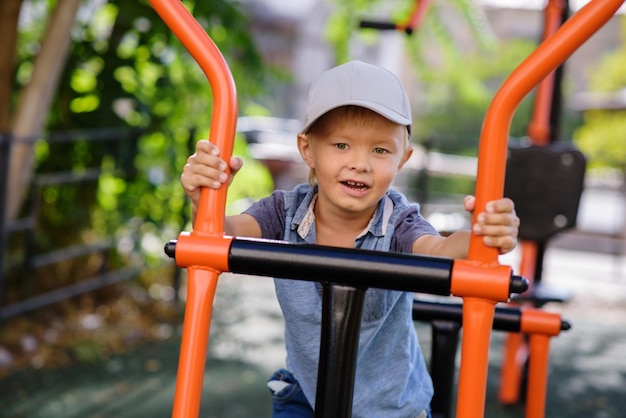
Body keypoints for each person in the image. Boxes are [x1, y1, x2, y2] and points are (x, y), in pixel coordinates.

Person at [180, 60, 519, 418]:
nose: (360, 163)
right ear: (308, 149)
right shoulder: (284, 212)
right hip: (307, 396)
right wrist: (206, 200)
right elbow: (223, 232)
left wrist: (483, 234)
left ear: (403, 158)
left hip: (392, 409)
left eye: (380, 150)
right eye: (341, 145)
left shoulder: (399, 222)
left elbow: (438, 251)